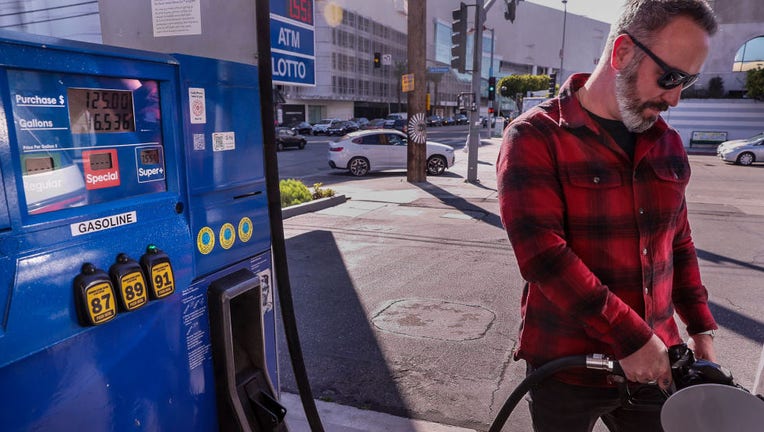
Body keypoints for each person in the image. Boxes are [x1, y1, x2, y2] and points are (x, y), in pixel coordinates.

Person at [496, 1, 719, 431]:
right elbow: (543, 256)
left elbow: (679, 242)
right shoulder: (534, 136)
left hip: (656, 364)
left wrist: (700, 327)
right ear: (621, 54)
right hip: (566, 368)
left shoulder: (667, 143)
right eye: (669, 78)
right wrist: (632, 339)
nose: (674, 98)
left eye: (686, 82)